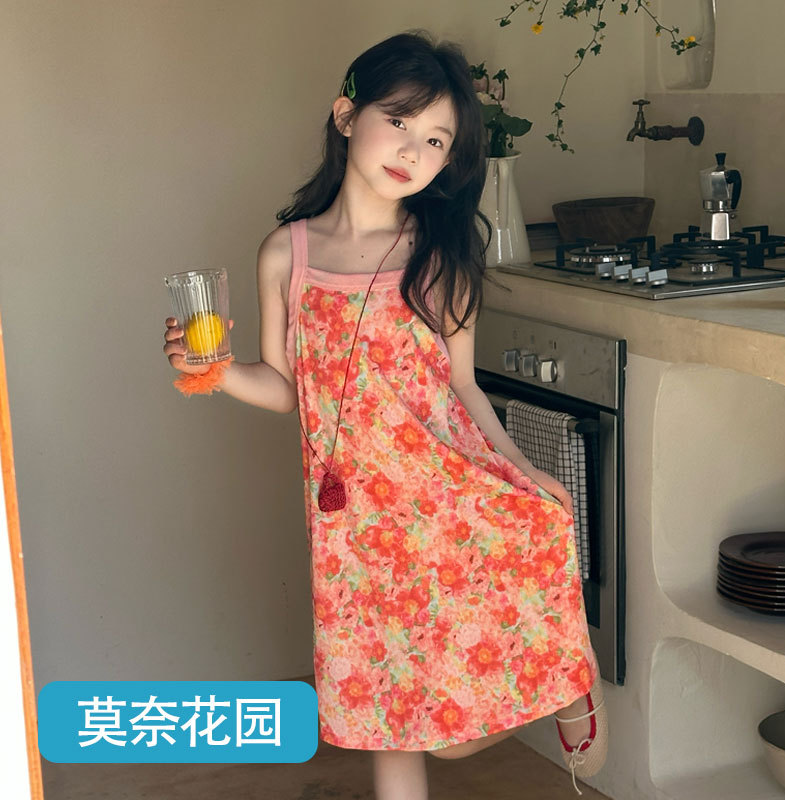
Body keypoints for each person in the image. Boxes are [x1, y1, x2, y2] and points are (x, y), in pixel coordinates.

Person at [163, 29, 607, 800]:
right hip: (355, 527)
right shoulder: (286, 255)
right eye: (398, 120)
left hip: (447, 499)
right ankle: (561, 677)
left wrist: (524, 469)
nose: (412, 149)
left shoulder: (441, 255)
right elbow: (287, 387)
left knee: (452, 742)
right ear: (346, 115)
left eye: (435, 139)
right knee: (384, 717)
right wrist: (218, 371)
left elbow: (464, 387)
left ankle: (568, 680)